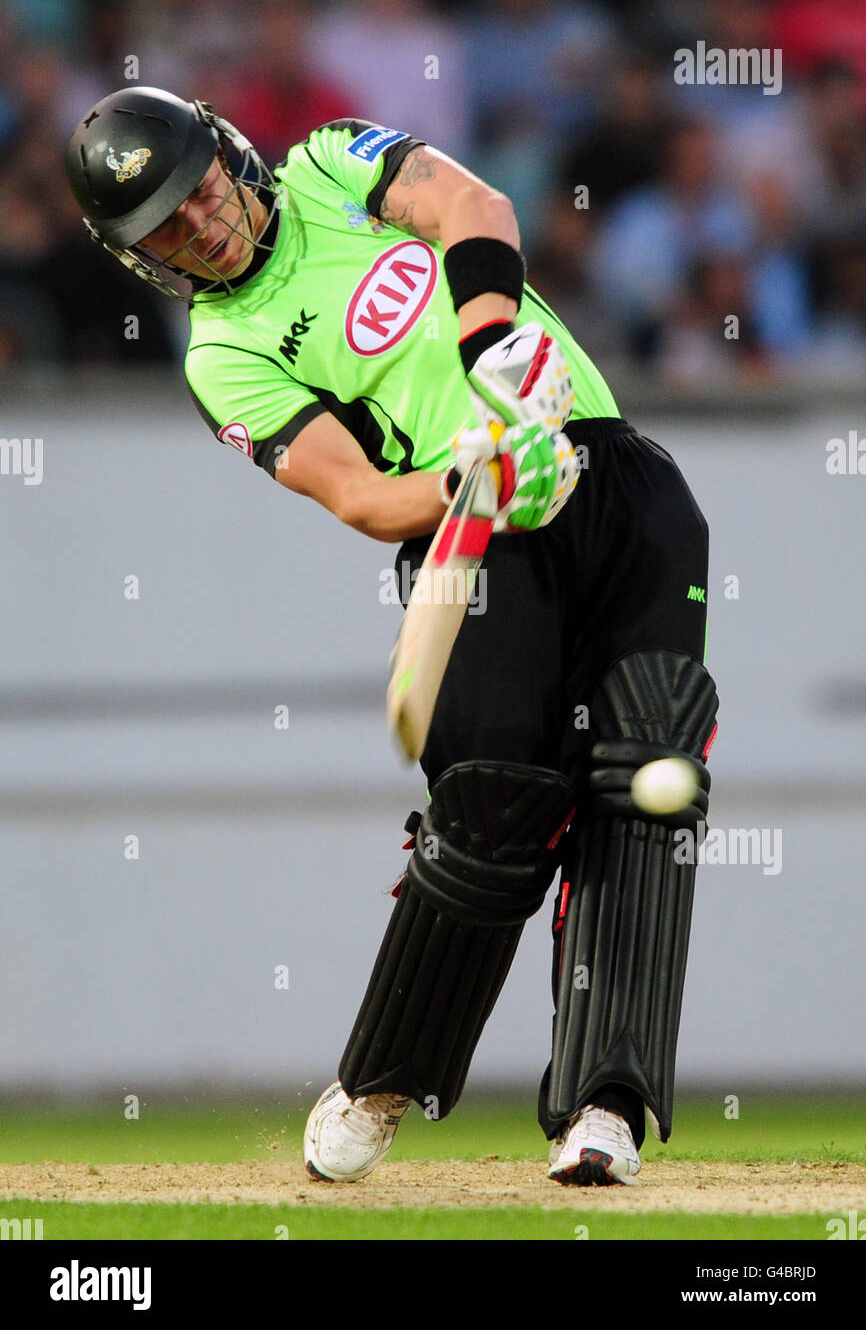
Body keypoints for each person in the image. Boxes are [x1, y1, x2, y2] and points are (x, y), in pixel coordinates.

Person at [65, 86, 718, 1187]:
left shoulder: (327, 164)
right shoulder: (220, 354)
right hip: (471, 528)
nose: (201, 225)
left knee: (647, 765)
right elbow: (363, 495)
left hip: (613, 476)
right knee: (494, 799)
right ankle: (380, 1078)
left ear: (226, 153)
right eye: (166, 230)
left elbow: (470, 208)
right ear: (141, 259)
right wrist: (483, 471)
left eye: (198, 192)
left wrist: (493, 349)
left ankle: (602, 1105)